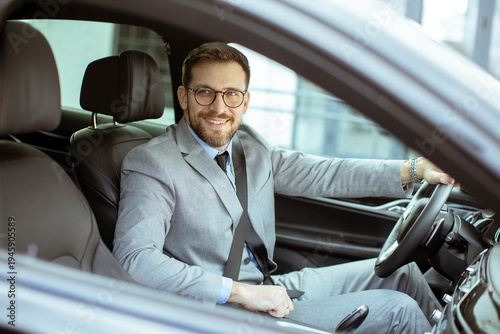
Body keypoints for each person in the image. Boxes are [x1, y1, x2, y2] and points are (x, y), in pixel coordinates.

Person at [113, 42, 455, 333]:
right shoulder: (152, 162)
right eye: (205, 93)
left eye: (231, 94)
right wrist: (240, 293)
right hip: (225, 315)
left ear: (245, 103)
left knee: (404, 273)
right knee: (398, 310)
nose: (219, 107)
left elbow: (325, 173)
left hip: (272, 287)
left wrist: (414, 169)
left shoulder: (248, 145)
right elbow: (135, 259)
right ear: (184, 97)